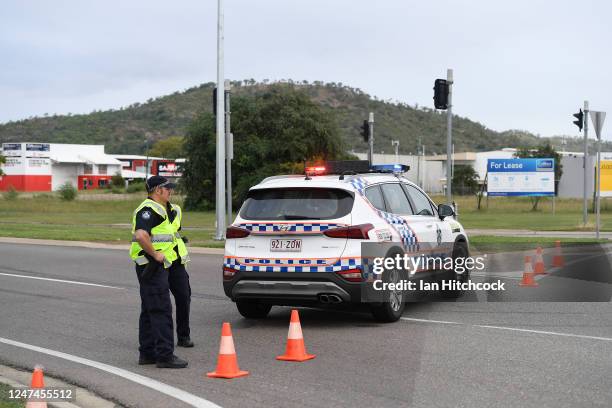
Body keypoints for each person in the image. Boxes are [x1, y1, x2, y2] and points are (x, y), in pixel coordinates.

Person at [129, 175, 193, 368]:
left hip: (170, 262)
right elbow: (141, 235)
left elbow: (171, 234)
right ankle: (164, 356)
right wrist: (155, 254)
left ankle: (147, 353)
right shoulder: (148, 209)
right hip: (152, 265)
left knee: (152, 307)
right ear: (158, 190)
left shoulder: (170, 209)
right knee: (160, 308)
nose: (171, 191)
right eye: (168, 188)